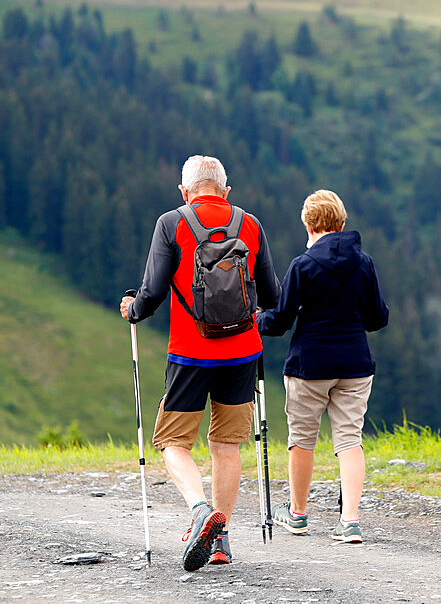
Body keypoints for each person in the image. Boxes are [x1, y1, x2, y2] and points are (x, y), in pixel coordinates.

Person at [119, 155, 281, 571]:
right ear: (225, 191)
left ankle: (198, 510)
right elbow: (273, 296)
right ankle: (221, 538)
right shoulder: (250, 223)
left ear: (185, 191)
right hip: (243, 352)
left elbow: (152, 293)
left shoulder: (171, 223)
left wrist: (132, 310)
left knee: (172, 443)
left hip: (191, 353)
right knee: (226, 445)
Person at [257, 189, 389, 543]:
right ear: (342, 223)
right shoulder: (364, 263)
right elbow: (377, 318)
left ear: (308, 224)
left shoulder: (303, 265)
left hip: (309, 364)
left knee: (302, 440)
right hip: (355, 364)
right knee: (349, 439)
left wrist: (257, 320)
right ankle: (350, 521)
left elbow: (281, 320)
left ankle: (298, 514)